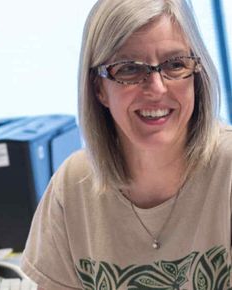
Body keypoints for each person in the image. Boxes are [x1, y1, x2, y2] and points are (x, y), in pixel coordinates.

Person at [20, 0, 232, 289]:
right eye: (130, 69)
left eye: (175, 64)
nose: (157, 88)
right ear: (99, 89)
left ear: (197, 74)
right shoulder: (73, 186)